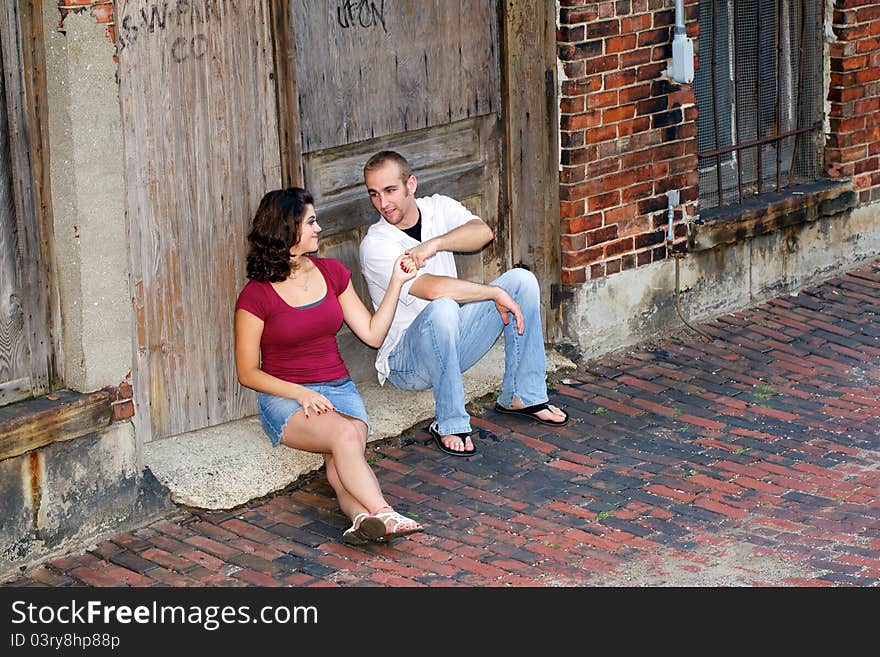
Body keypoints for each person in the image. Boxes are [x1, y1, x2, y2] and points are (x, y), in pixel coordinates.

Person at [234, 187, 424, 545]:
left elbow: (371, 334)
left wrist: (397, 283)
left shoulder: (332, 272)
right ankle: (384, 511)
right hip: (287, 399)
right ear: (287, 229)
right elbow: (247, 372)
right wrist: (301, 393)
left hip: (339, 389)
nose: (318, 228)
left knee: (341, 461)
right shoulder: (256, 295)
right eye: (311, 222)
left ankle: (361, 520)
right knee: (344, 436)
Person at [358, 150, 569, 458]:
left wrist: (435, 244)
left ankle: (522, 395)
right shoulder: (375, 244)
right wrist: (492, 293)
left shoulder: (438, 207)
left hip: (452, 344)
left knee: (522, 281)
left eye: (390, 191)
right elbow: (433, 289)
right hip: (407, 365)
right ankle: (449, 422)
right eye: (374, 195)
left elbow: (483, 232)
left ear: (411, 185)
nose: (383, 203)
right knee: (444, 305)